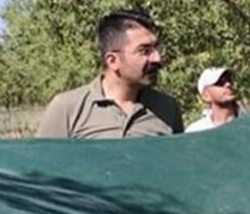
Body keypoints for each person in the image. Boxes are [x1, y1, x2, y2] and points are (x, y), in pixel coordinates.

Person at [37, 9, 184, 139]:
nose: (157, 58)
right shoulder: (67, 108)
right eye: (144, 51)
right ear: (113, 61)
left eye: (155, 48)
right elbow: (44, 160)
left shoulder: (168, 108)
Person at [185, 67, 241, 133]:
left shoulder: (248, 122)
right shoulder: (196, 131)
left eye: (229, 80)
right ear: (206, 96)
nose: (228, 84)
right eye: (220, 83)